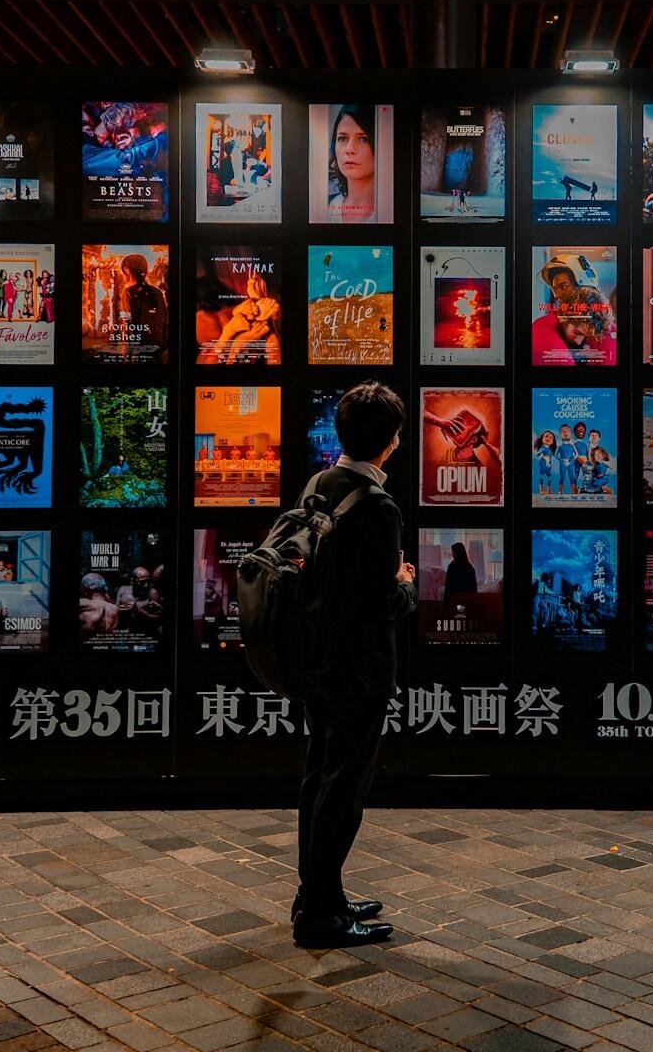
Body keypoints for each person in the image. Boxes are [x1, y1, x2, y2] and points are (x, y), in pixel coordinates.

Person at [292, 382, 417, 950]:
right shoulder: (377, 506)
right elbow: (379, 602)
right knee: (343, 790)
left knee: (319, 777)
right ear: (391, 440)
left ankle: (318, 894)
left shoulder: (322, 485)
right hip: (359, 669)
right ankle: (322, 917)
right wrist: (406, 584)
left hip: (316, 659)